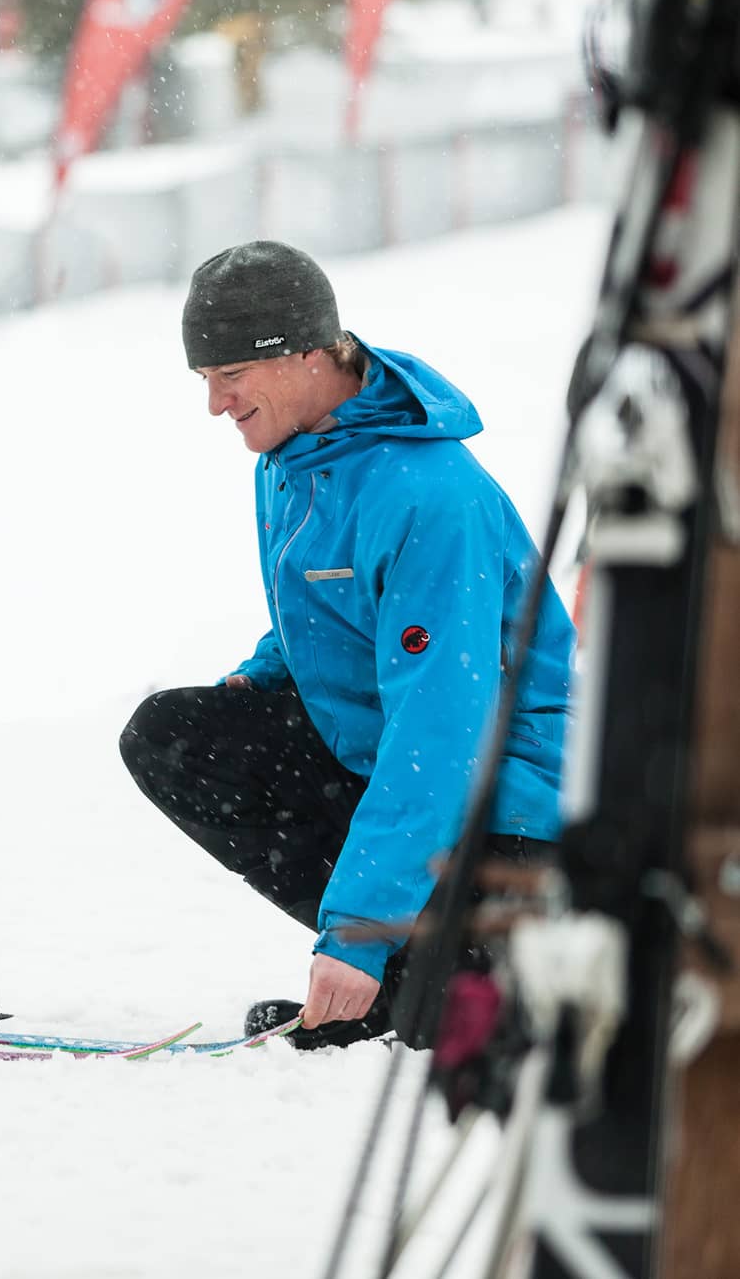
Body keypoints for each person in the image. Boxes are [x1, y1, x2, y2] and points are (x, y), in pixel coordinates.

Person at [118, 241, 573, 1048]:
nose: (216, 405)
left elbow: (444, 733)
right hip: (390, 761)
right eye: (204, 382)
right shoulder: (293, 453)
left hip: (505, 812)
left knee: (470, 1021)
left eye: (229, 377)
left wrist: (359, 931)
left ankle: (407, 969)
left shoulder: (431, 499)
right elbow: (327, 610)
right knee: (175, 737)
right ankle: (401, 977)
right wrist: (261, 677)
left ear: (301, 352)